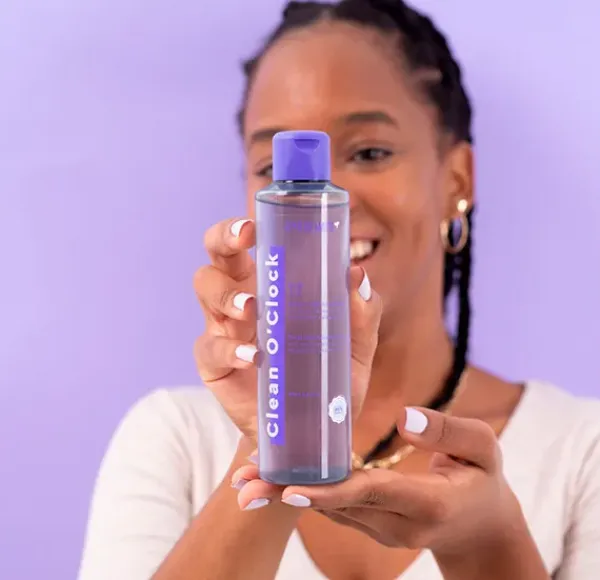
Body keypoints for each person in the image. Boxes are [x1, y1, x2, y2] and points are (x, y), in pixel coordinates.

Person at [78, 1, 600, 579]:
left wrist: (489, 543)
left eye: (370, 152)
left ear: (456, 180)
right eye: (273, 166)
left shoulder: (581, 449)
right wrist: (279, 447)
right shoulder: (175, 438)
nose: (326, 195)